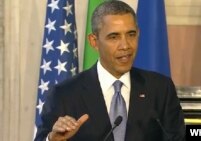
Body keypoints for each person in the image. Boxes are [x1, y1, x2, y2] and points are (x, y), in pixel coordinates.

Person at [34, 1, 186, 141]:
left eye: (131, 34)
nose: (125, 45)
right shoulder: (65, 94)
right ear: (94, 41)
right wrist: (52, 140)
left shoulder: (160, 89)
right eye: (114, 37)